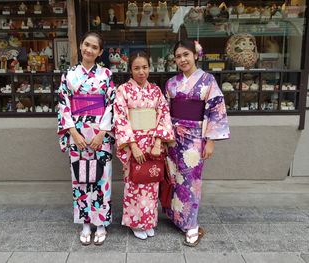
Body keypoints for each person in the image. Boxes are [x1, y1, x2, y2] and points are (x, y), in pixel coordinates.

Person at [164, 40, 230, 247]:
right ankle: (177, 218)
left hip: (194, 137)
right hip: (173, 136)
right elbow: (165, 111)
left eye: (186, 55)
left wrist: (210, 141)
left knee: (192, 181)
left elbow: (215, 110)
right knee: (174, 177)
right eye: (178, 56)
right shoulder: (171, 83)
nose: (182, 59)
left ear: (195, 55)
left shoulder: (208, 80)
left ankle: (191, 224)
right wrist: (164, 137)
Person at [57, 32, 115, 246]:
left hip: (100, 134)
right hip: (78, 134)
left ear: (100, 52)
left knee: (102, 178)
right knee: (81, 178)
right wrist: (73, 133)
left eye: (94, 47)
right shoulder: (69, 75)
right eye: (86, 45)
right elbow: (63, 104)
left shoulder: (106, 74)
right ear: (81, 46)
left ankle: (100, 223)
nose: (88, 50)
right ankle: (85, 223)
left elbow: (111, 104)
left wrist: (102, 132)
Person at [114, 51, 175, 240]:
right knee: (135, 182)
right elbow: (120, 119)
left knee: (151, 182)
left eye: (145, 67)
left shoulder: (156, 91)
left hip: (152, 143)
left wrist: (158, 142)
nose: (141, 72)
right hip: (133, 143)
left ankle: (148, 221)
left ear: (150, 68)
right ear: (130, 70)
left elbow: (164, 115)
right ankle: (135, 223)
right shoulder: (123, 90)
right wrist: (133, 146)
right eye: (136, 68)